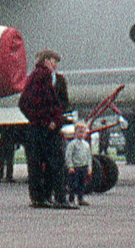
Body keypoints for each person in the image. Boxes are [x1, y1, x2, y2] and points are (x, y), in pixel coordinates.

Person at [19, 50, 69, 208]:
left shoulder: (33, 76)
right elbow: (48, 102)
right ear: (46, 60)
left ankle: (39, 198)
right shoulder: (43, 76)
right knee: (57, 163)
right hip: (46, 128)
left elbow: (24, 103)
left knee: (35, 165)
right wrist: (50, 121)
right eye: (54, 61)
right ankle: (60, 198)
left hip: (36, 127)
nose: (55, 65)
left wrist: (34, 118)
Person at [65, 122, 94, 207]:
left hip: (83, 167)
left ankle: (81, 199)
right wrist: (70, 166)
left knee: (82, 184)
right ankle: (71, 199)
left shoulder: (86, 145)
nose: (81, 134)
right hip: (75, 167)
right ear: (75, 133)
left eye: (83, 132)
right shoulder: (72, 144)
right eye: (79, 132)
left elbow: (89, 157)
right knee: (74, 184)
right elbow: (68, 155)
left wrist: (89, 168)